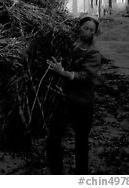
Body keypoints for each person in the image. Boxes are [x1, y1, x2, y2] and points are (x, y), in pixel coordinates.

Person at [46, 14, 102, 175]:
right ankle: (56, 172)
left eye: (92, 30)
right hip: (63, 101)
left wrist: (63, 72)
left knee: (81, 141)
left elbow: (85, 76)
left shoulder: (94, 52)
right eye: (85, 28)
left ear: (94, 33)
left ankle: (81, 174)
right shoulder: (70, 45)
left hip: (83, 103)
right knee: (53, 138)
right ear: (79, 27)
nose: (88, 32)